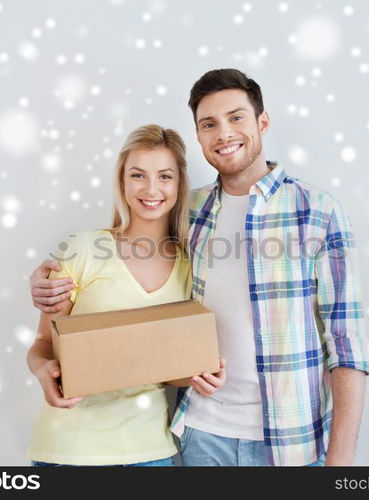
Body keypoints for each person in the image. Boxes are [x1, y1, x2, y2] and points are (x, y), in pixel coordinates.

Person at [30, 69, 369, 467]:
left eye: (236, 117)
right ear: (199, 136)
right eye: (209, 124)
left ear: (263, 121)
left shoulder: (318, 211)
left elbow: (346, 345)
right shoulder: (190, 213)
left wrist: (341, 459)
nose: (224, 133)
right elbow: (130, 256)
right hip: (200, 436)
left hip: (292, 442)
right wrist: (43, 279)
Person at [25, 124, 226, 467]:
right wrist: (44, 371)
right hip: (70, 451)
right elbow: (43, 343)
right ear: (122, 181)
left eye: (164, 176)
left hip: (150, 451)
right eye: (138, 175)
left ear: (179, 185)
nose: (151, 188)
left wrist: (198, 374)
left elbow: (165, 371)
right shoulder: (81, 250)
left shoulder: (192, 266)